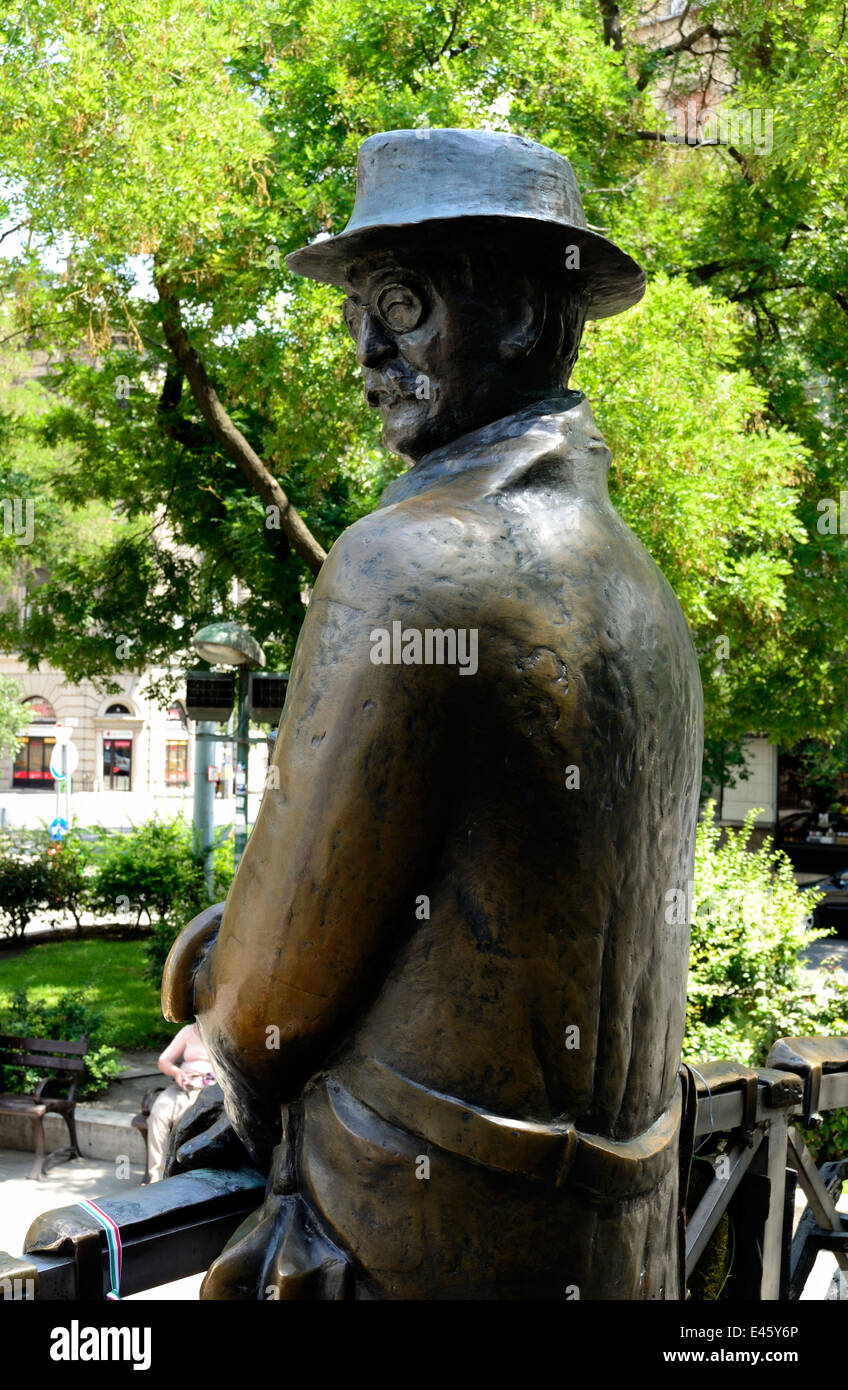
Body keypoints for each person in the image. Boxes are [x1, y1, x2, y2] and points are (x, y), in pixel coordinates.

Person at [163, 129, 702, 1299]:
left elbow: (274, 991)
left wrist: (214, 1013)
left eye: (399, 306)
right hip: (614, 1244)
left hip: (413, 1240)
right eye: (356, 311)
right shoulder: (639, 590)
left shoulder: (410, 565)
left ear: (514, 312)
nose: (363, 351)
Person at [144, 1022, 215, 1184]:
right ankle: (156, 1178)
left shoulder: (223, 1030)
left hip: (208, 1090)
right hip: (181, 1085)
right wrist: (177, 1072)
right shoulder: (189, 1031)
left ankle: (177, 1176)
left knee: (185, 1122)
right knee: (157, 1115)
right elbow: (164, 1060)